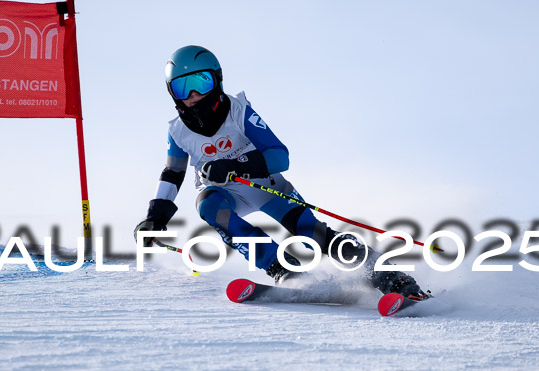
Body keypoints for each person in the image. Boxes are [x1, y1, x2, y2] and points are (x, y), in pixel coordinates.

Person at [135, 45, 426, 299]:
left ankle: (392, 278)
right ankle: (282, 269)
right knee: (208, 206)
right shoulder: (177, 131)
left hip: (266, 185)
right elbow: (173, 173)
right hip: (222, 193)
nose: (194, 95)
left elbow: (279, 157)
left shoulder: (239, 111)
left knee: (312, 233)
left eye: (201, 81)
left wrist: (234, 166)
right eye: (183, 88)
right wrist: (155, 218)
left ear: (217, 80)